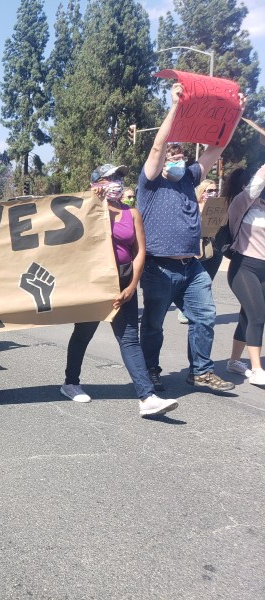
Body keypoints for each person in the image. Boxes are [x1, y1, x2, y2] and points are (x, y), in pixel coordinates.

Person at [137, 82, 244, 393]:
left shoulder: (191, 178)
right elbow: (158, 147)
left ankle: (200, 371)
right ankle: (150, 370)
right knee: (154, 325)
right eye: (172, 153)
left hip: (191, 266)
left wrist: (236, 113)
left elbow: (216, 149)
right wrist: (175, 107)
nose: (176, 156)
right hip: (159, 267)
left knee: (205, 316)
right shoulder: (151, 182)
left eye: (179, 153)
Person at [60, 164, 178, 416]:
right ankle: (70, 383)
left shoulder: (131, 213)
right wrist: (95, 205)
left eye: (118, 178)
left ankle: (147, 397)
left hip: (123, 281)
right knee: (83, 333)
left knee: (128, 339)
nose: (116, 182)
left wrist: (132, 286)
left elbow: (139, 252)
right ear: (95, 184)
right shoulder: (86, 211)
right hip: (93, 282)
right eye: (109, 178)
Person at [226, 164, 265, 384]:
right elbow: (256, 186)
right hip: (244, 267)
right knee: (258, 316)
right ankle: (257, 369)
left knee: (247, 316)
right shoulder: (240, 206)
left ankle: (233, 361)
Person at [176, 179, 224, 324]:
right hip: (197, 249)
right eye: (209, 191)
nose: (213, 193)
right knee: (195, 281)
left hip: (215, 250)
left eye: (215, 190)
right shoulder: (193, 207)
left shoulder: (219, 208)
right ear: (201, 192)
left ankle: (202, 311)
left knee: (208, 281)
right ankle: (184, 309)